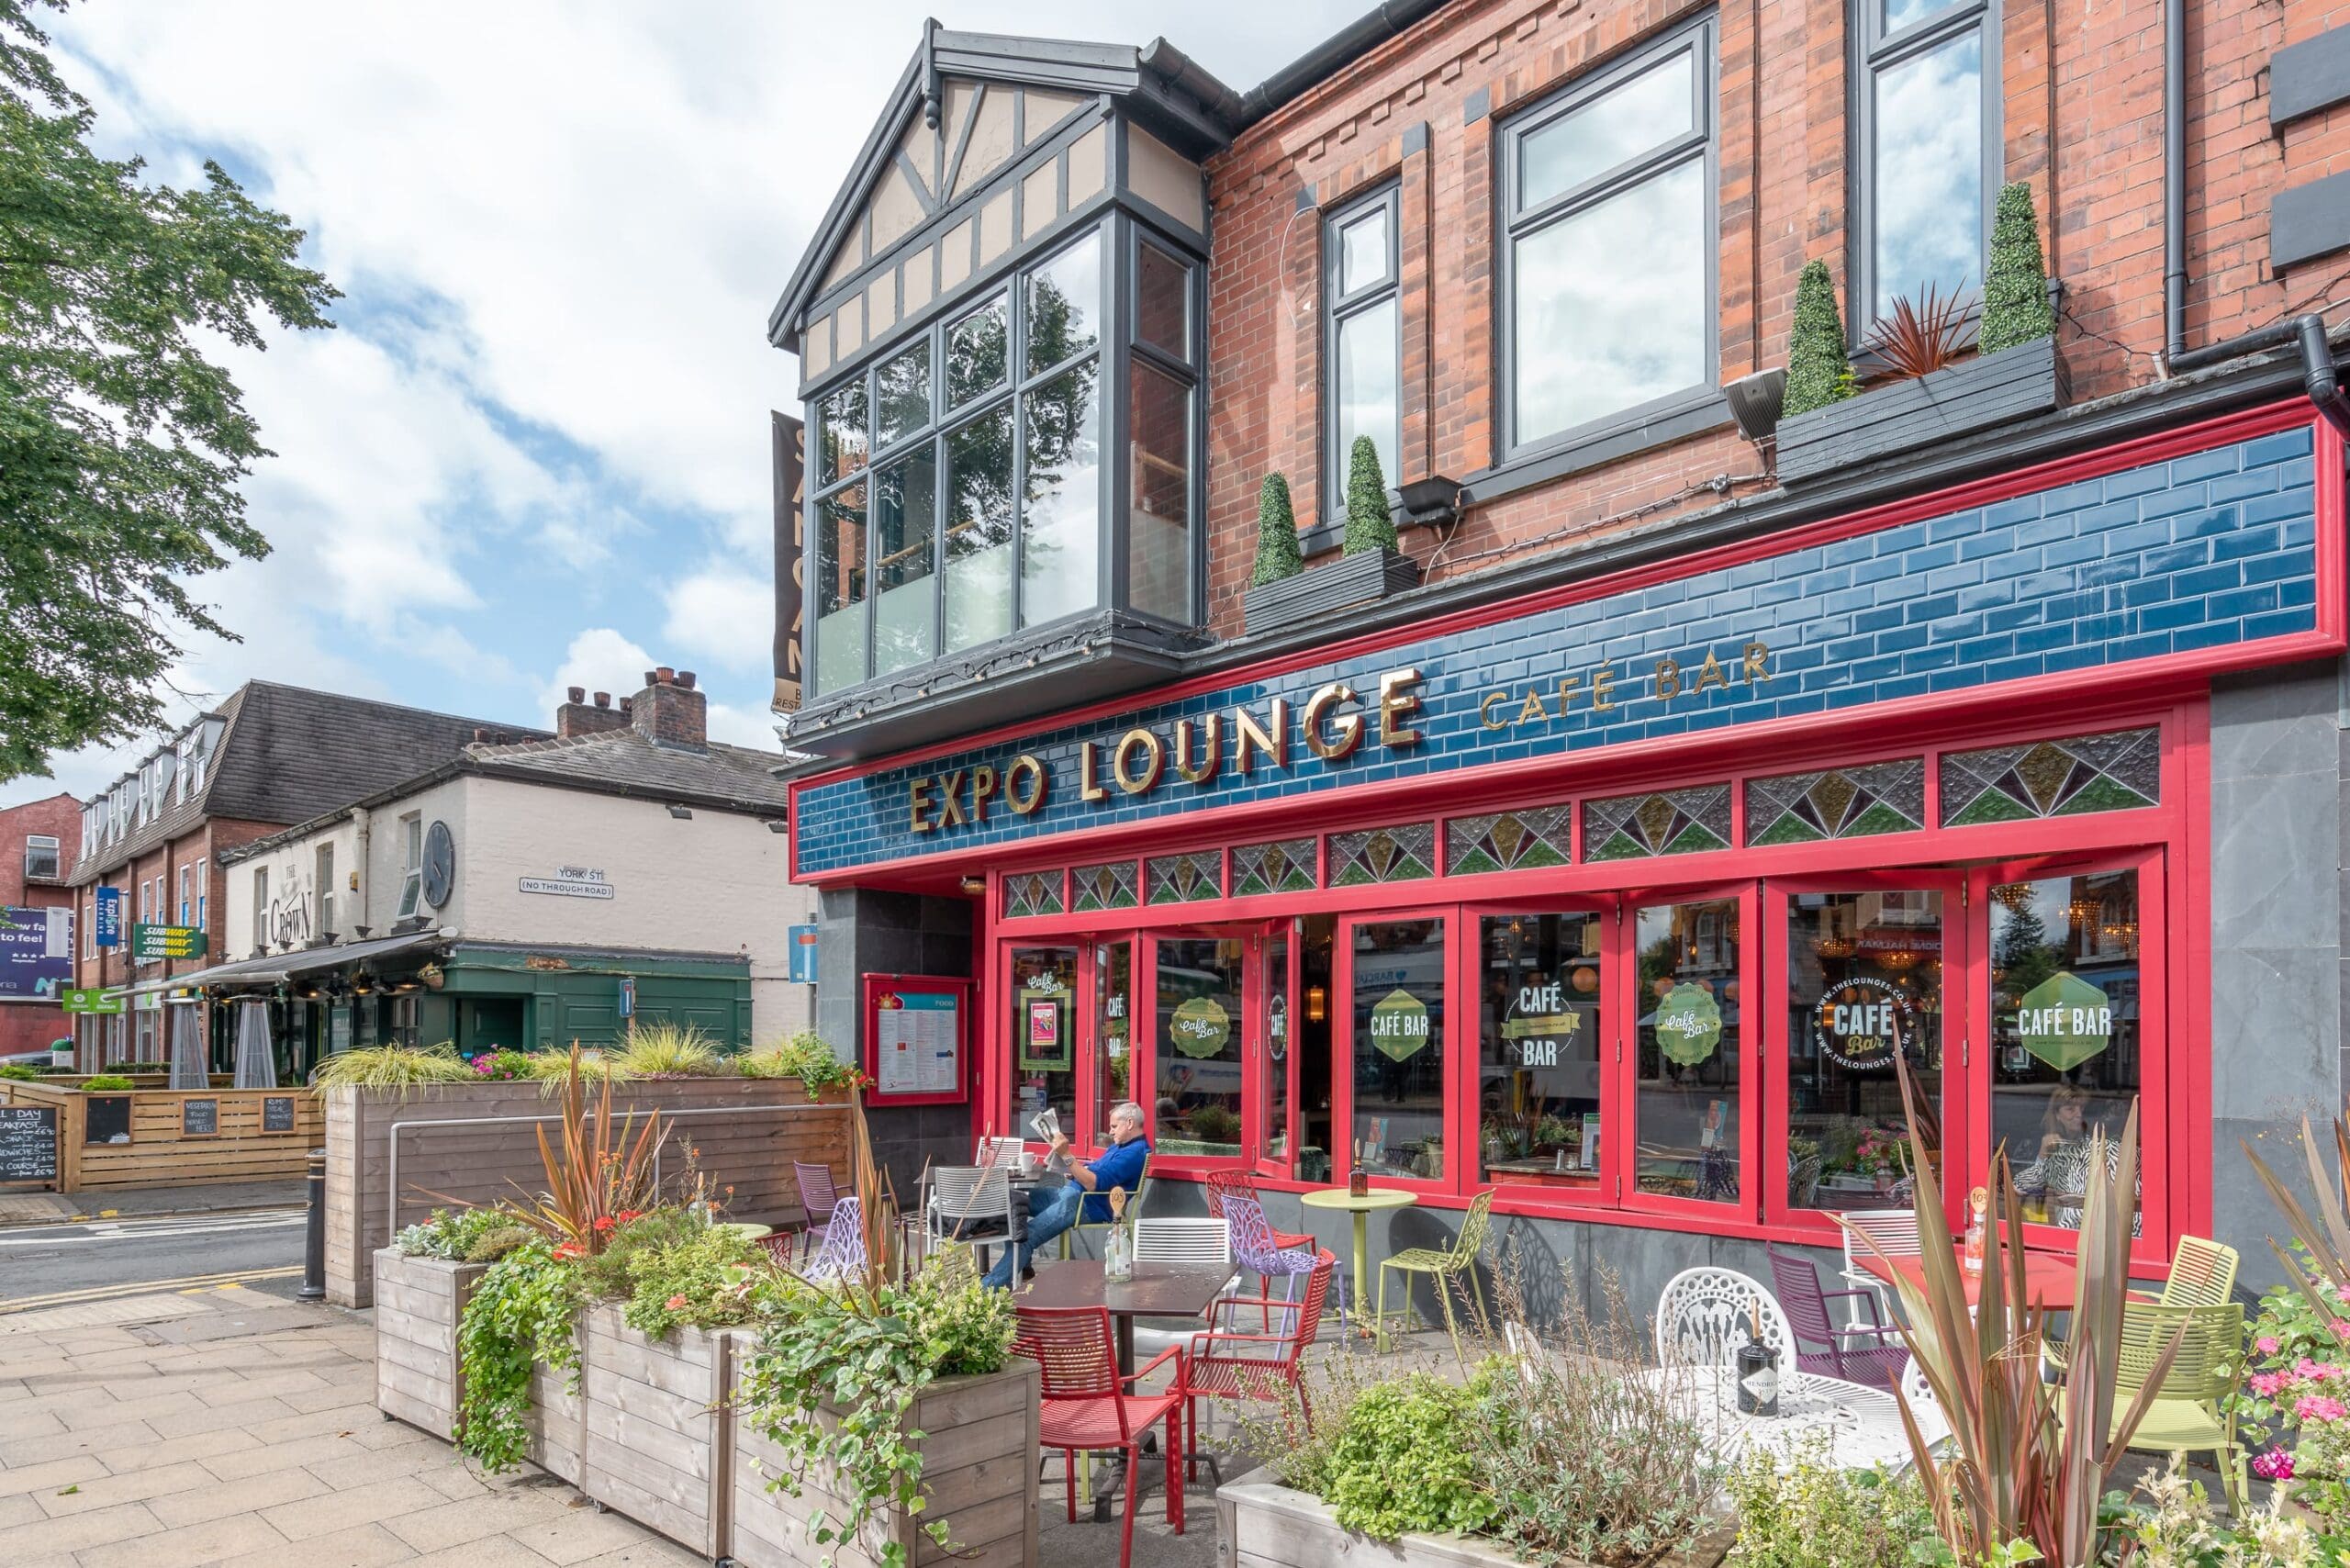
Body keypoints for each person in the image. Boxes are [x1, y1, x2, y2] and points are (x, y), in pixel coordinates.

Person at [982, 1099, 1152, 1288]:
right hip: (1070, 1193)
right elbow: (1096, 1171)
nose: (1110, 1132)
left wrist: (1067, 1155)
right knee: (1013, 1202)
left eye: (1114, 1126)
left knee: (1027, 1237)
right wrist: (1075, 1169)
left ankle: (986, 1289)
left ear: (1129, 1123)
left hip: (1085, 1204)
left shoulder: (1133, 1153)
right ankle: (1022, 1266)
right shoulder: (1120, 1146)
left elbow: (1093, 1184)